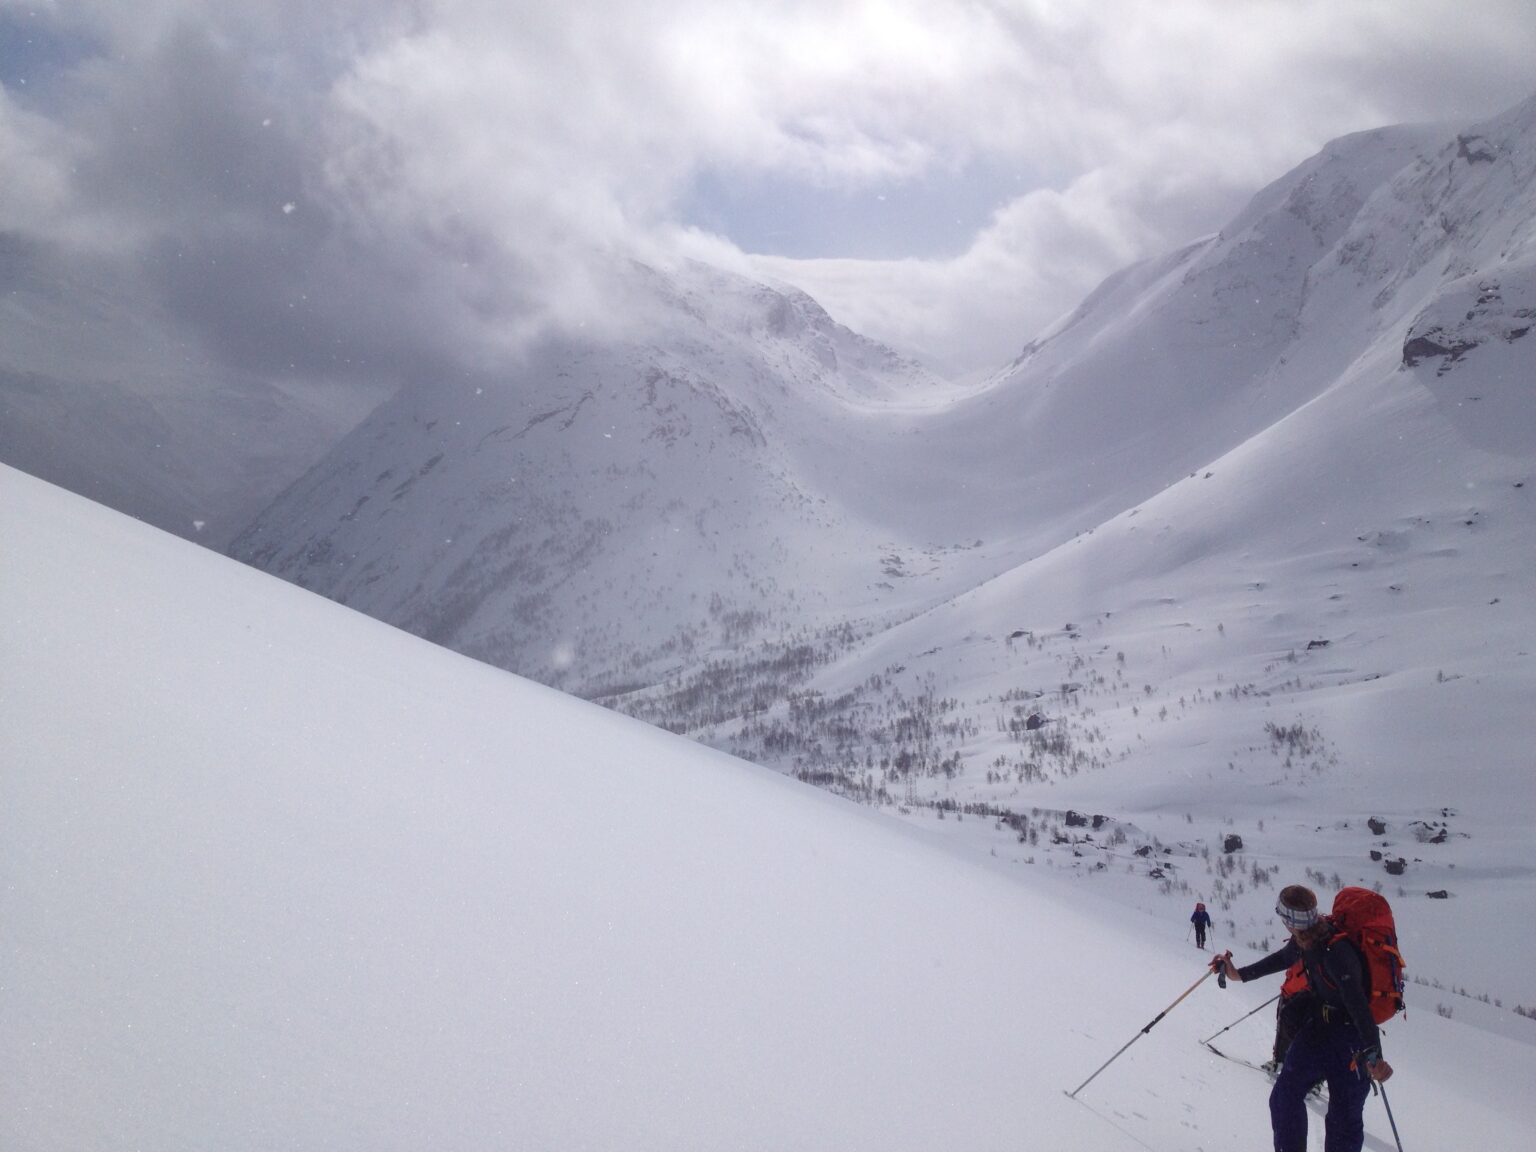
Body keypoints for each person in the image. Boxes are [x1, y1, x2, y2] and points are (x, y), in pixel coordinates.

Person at [1212, 885, 1393, 1152]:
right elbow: (1281, 959)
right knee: (1286, 1099)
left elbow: (1359, 1007)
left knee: (1342, 1119)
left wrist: (1374, 1057)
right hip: (1322, 1029)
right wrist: (1238, 974)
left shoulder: (1336, 952)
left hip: (1349, 1041)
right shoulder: (1307, 940)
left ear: (1289, 921)